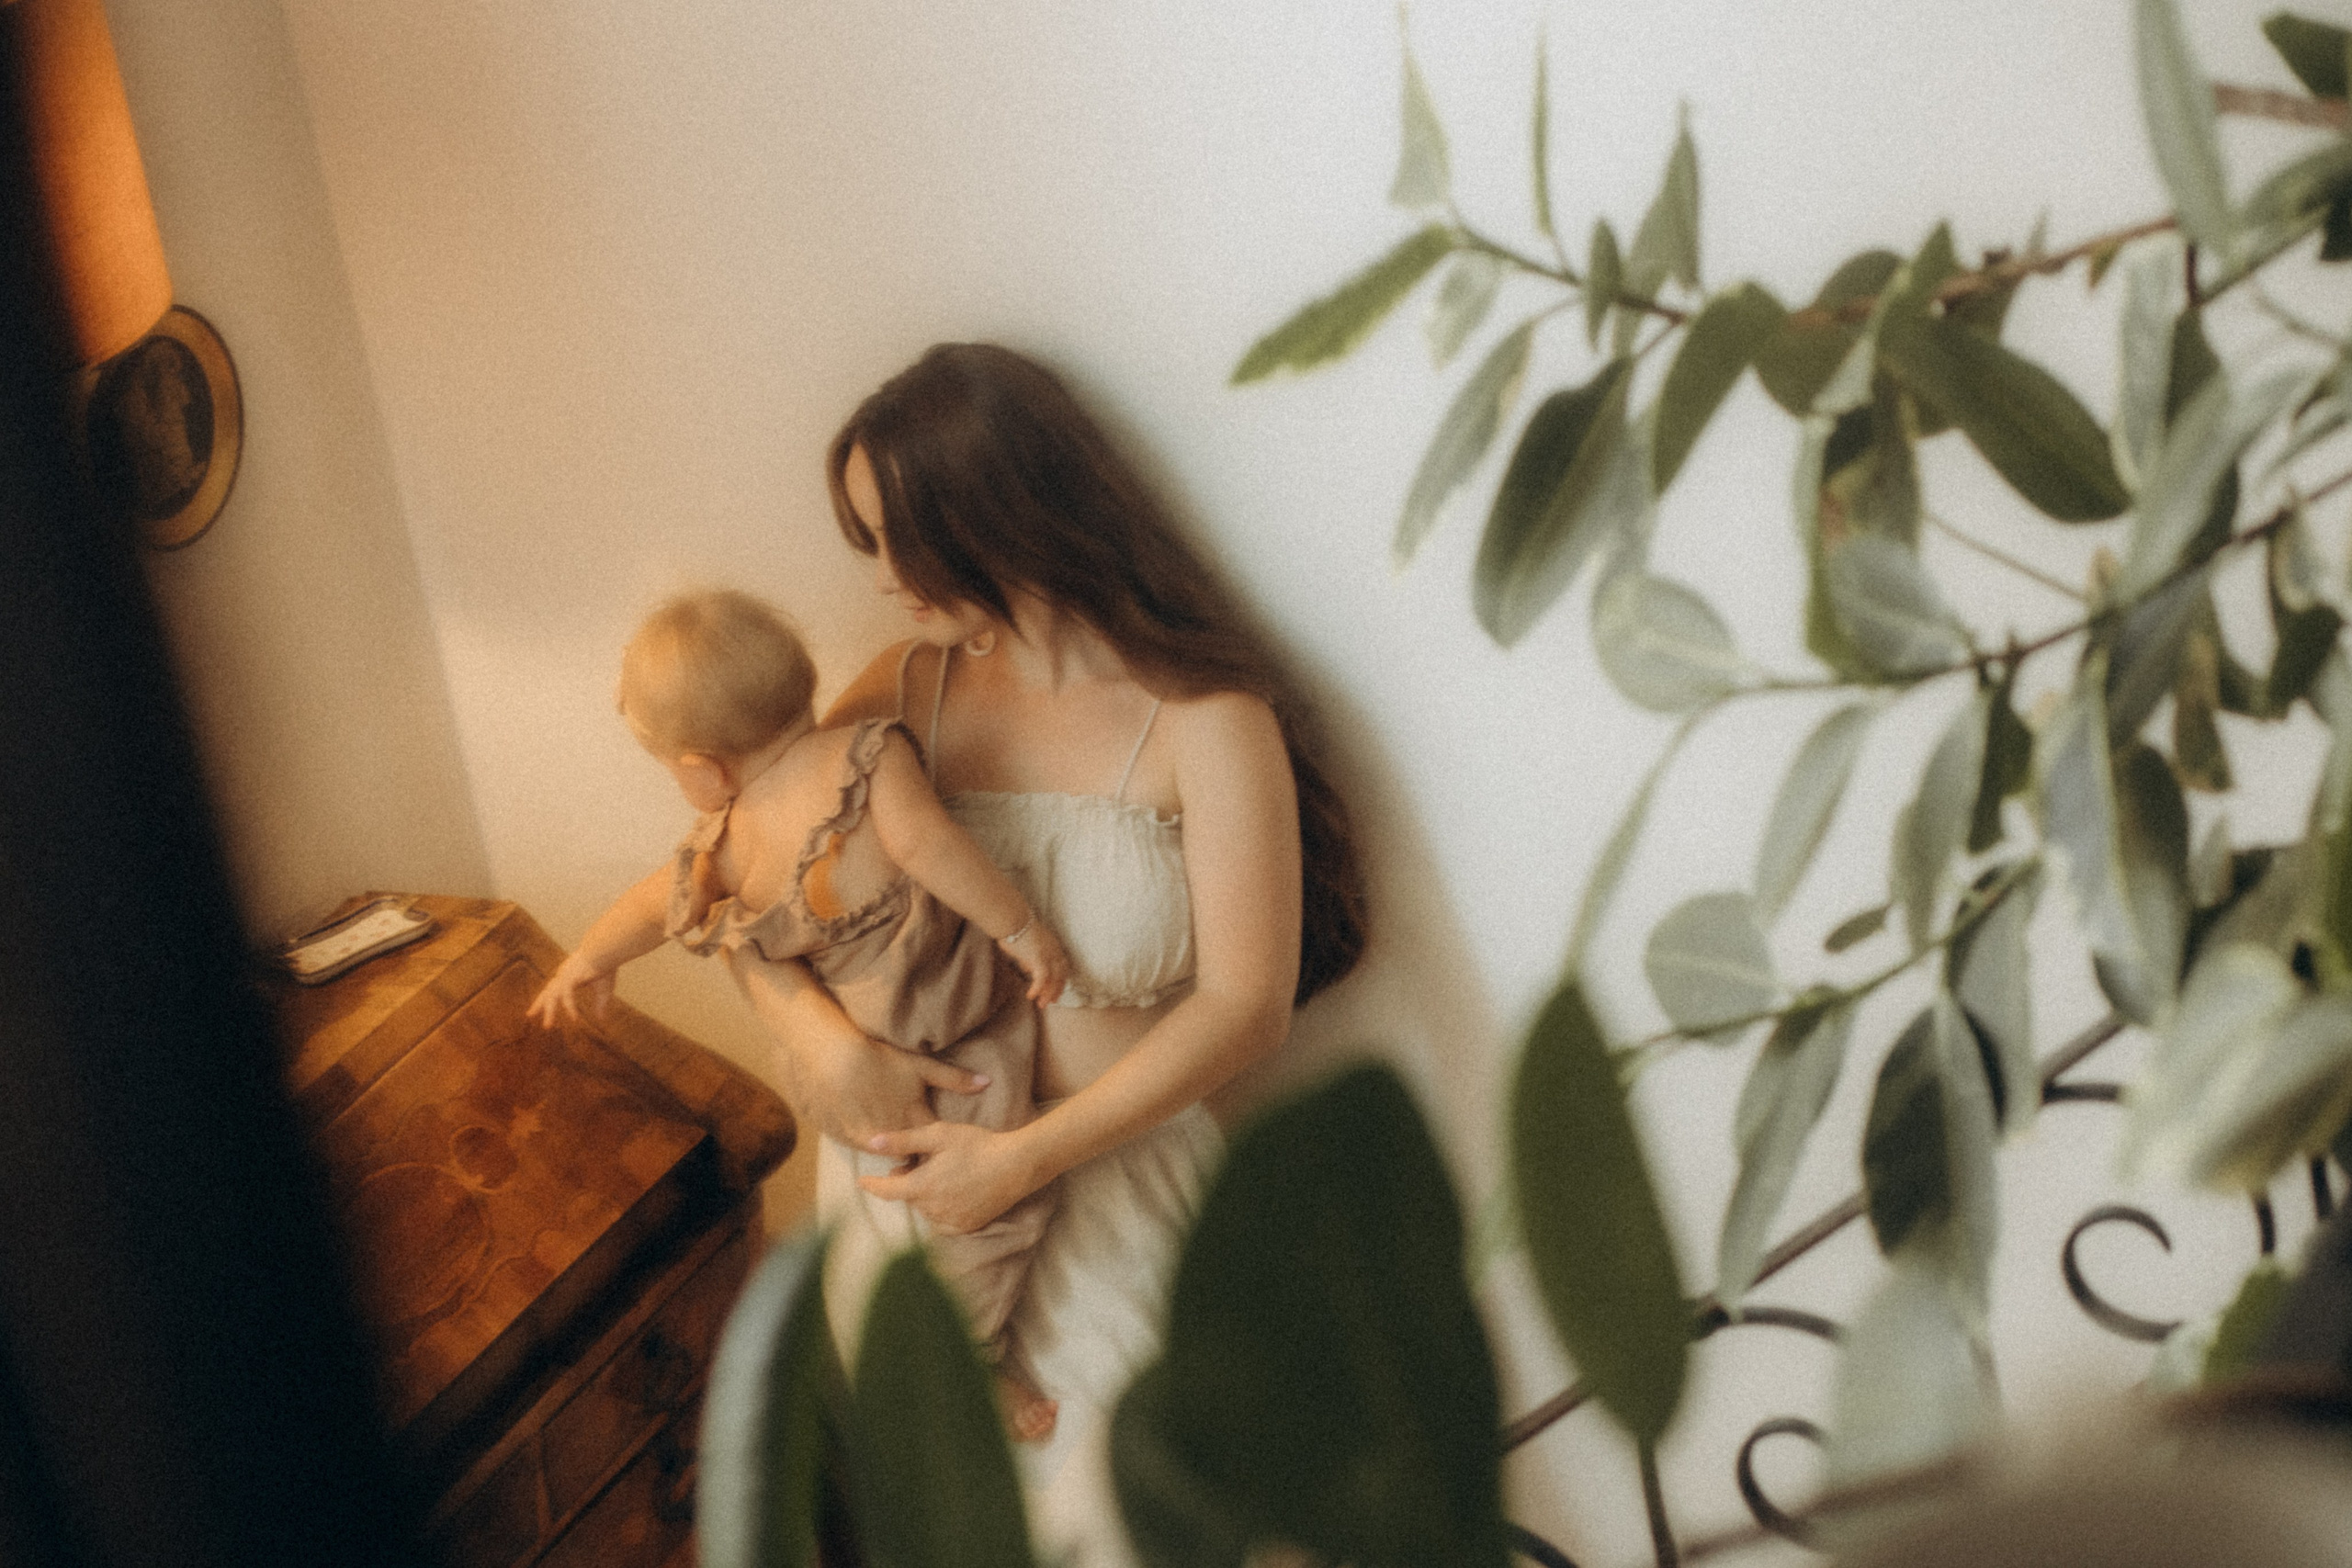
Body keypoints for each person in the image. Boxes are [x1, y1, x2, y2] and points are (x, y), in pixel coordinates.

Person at [729, 343, 1368, 1566]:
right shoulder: (899, 693)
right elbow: (726, 885)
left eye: (899, 540)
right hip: (911, 1209)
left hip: (1110, 1185)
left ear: (1001, 512)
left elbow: (1249, 1003)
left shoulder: (1206, 716)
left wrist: (1021, 1159)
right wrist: (816, 1035)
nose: (883, 580)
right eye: (865, 540)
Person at [524, 588, 1074, 1437]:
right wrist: (1024, 928)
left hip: (845, 1082)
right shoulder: (866, 755)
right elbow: (931, 846)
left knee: (906, 1212)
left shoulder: (727, 843)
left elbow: (648, 906)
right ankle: (972, 1358)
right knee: (993, 1201)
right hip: (958, 1026)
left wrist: (587, 959)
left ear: (704, 768)